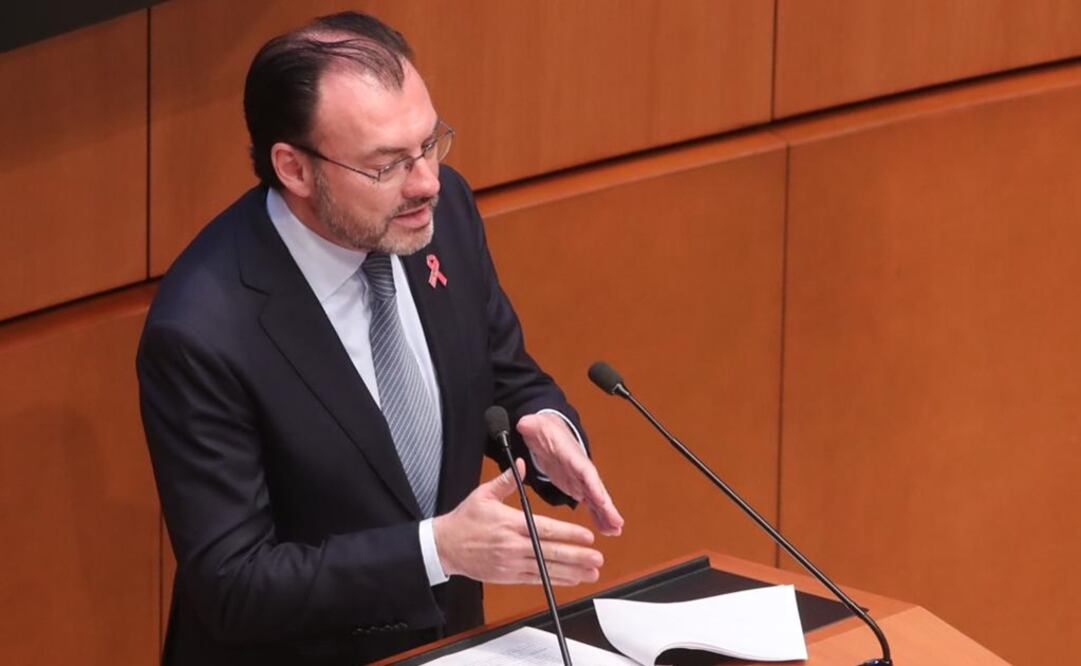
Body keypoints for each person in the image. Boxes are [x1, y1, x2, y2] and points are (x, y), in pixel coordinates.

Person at [136, 10, 624, 666]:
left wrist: (544, 426)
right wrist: (436, 550)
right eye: (387, 165)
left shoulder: (440, 211)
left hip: (446, 644)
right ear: (294, 168)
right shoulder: (202, 330)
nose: (425, 181)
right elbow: (234, 583)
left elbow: (499, 371)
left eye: (429, 144)